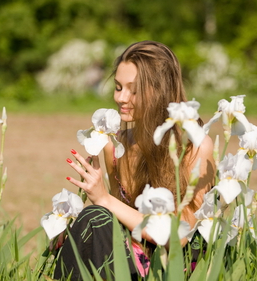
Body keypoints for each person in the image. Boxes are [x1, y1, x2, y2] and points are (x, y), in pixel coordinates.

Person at [53, 40, 215, 280]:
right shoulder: (116, 145)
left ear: (161, 91)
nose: (121, 98)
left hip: (170, 267)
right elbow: (116, 223)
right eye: (118, 87)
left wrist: (103, 198)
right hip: (129, 257)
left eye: (134, 90)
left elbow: (178, 236)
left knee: (96, 215)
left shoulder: (194, 146)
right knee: (92, 219)